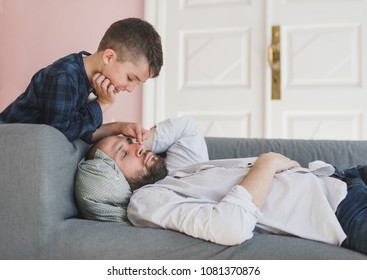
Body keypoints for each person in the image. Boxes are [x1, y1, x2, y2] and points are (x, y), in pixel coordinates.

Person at [75, 116, 367, 255]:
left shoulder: (174, 173)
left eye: (130, 143)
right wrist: (267, 163)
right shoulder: (148, 200)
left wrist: (121, 133)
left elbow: (187, 128)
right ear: (112, 179)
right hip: (341, 211)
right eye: (123, 153)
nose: (136, 147)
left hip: (340, 178)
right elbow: (231, 227)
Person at [0, 18, 163, 144]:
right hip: (8, 141)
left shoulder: (89, 81)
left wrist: (119, 127)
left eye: (138, 83)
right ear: (109, 57)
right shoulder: (65, 76)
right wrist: (102, 104)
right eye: (130, 78)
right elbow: (59, 137)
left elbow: (78, 130)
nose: (130, 89)